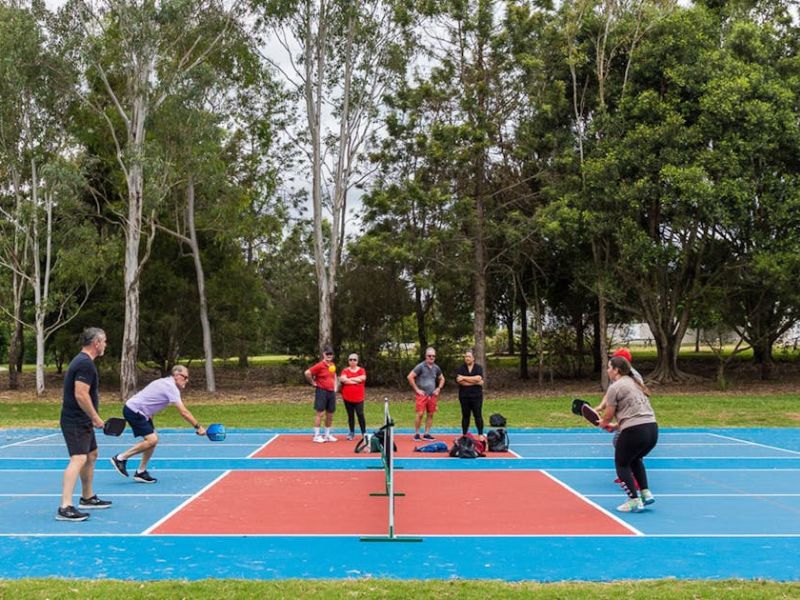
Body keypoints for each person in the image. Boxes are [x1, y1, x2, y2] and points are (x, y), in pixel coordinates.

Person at [110, 365, 205, 483]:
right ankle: (120, 458)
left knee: (153, 440)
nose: (187, 380)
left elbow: (151, 398)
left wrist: (150, 416)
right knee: (152, 440)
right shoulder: (171, 387)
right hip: (134, 411)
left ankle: (141, 472)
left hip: (143, 413)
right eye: (185, 377)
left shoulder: (165, 383)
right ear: (176, 375)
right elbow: (184, 412)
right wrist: (198, 426)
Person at [57, 327, 111, 521]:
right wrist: (95, 417)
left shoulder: (84, 362)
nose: (105, 345)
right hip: (76, 420)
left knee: (91, 454)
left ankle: (87, 497)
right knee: (78, 458)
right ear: (96, 343)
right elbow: (81, 394)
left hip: (82, 420)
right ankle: (65, 507)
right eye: (104, 341)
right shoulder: (85, 364)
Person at [598, 355, 658, 513]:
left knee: (622, 464)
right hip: (652, 430)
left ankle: (633, 500)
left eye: (609, 367)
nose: (607, 370)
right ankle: (645, 493)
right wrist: (616, 426)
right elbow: (635, 413)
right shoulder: (636, 383)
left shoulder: (615, 387)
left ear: (616, 370)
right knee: (635, 458)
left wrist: (603, 423)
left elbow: (608, 414)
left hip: (635, 431)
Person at [407, 346, 445, 440]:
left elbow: (442, 379)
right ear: (425, 356)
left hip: (432, 395)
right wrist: (417, 389)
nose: (431, 357)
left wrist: (438, 388)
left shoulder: (436, 368)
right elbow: (410, 377)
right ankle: (416, 433)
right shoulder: (420, 366)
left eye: (433, 356)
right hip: (422, 395)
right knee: (420, 414)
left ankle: (426, 433)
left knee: (430, 414)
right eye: (429, 356)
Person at [304, 346, 338, 442]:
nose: (329, 355)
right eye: (327, 354)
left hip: (331, 392)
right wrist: (312, 382)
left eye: (330, 354)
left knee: (330, 414)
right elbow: (307, 373)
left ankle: (327, 435)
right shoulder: (319, 365)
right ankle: (316, 436)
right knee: (320, 413)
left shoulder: (332, 365)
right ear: (323, 354)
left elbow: (334, 376)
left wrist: (335, 387)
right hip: (321, 391)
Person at [455, 349, 484, 436]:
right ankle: (464, 435)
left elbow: (479, 378)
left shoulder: (478, 368)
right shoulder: (461, 368)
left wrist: (464, 377)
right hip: (464, 396)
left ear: (473, 358)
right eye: (466, 357)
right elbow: (460, 381)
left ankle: (480, 434)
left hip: (477, 396)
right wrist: (475, 382)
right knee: (465, 416)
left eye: (469, 357)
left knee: (478, 415)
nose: (467, 358)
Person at [339, 353, 367, 441]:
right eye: (350, 359)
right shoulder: (345, 370)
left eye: (354, 359)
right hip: (347, 397)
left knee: (360, 414)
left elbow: (362, 378)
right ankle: (351, 432)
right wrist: (355, 380)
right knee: (350, 415)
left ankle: (364, 433)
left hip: (359, 398)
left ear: (357, 361)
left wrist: (349, 379)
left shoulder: (361, 370)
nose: (352, 361)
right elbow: (343, 379)